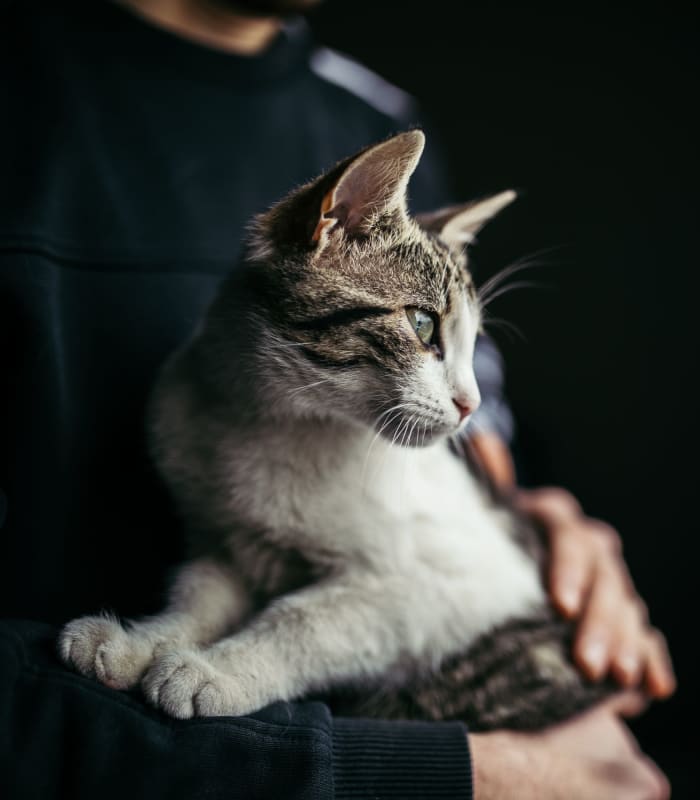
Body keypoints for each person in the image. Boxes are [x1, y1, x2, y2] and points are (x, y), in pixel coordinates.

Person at [0, 0, 675, 797]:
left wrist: (536, 511)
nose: (460, 395)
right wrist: (461, 774)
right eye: (430, 334)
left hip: (492, 678)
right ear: (331, 225)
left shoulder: (376, 112)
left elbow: (469, 417)